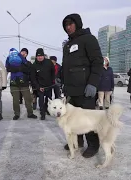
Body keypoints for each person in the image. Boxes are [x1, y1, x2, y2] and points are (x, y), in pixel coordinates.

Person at [61, 13, 103, 158]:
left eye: (70, 24)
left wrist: (93, 83)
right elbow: (66, 67)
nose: (68, 27)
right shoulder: (67, 45)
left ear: (77, 24)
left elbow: (97, 62)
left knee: (88, 119)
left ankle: (93, 145)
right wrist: (63, 83)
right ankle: (77, 142)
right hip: (71, 89)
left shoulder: (88, 39)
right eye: (66, 25)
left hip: (85, 88)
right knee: (72, 119)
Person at [6, 48, 37, 120]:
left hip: (24, 84)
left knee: (28, 99)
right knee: (15, 100)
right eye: (22, 52)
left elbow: (29, 71)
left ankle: (30, 113)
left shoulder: (28, 63)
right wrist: (19, 69)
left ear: (27, 55)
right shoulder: (12, 60)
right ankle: (16, 114)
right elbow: (8, 68)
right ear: (19, 53)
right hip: (14, 84)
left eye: (25, 53)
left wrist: (20, 69)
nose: (24, 53)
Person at [31, 48, 55, 120]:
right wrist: (38, 87)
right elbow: (33, 78)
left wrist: (53, 81)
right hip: (40, 86)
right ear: (36, 57)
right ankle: (42, 113)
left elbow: (53, 72)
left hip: (49, 85)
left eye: (41, 56)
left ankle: (47, 109)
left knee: (49, 99)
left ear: (43, 56)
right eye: (38, 56)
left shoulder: (49, 62)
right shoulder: (34, 65)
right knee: (41, 100)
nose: (40, 57)